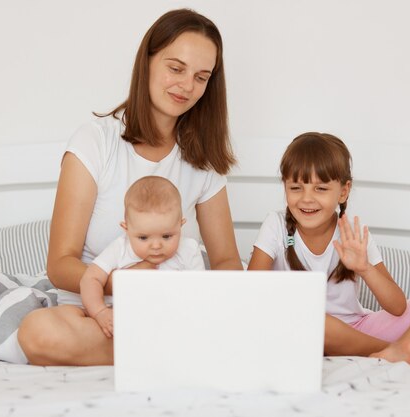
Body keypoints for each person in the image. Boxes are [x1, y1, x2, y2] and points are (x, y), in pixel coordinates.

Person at [18, 8, 242, 366]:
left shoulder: (203, 158)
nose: (187, 86)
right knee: (38, 332)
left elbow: (227, 260)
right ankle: (173, 353)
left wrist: (204, 298)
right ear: (148, 61)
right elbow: (60, 264)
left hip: (173, 313)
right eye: (176, 68)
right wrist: (129, 283)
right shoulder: (96, 141)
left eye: (201, 77)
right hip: (94, 313)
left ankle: (161, 349)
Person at [248, 132, 410, 366]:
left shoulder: (354, 236)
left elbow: (397, 307)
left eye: (320, 189)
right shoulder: (276, 226)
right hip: (299, 327)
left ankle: (404, 346)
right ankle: (399, 349)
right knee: (314, 319)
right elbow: (251, 292)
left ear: (343, 191)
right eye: (296, 188)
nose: (306, 199)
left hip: (358, 329)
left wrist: (365, 269)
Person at [80, 176, 204, 338]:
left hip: (174, 320)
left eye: (166, 236)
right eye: (144, 238)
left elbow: (200, 291)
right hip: (126, 321)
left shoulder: (188, 249)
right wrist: (100, 312)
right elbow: (90, 279)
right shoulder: (120, 248)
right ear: (127, 229)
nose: (156, 245)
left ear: (180, 224)